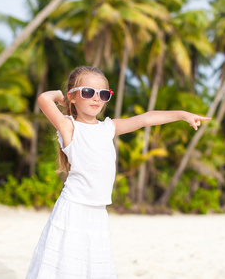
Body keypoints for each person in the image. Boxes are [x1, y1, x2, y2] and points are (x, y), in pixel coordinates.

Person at [26, 66, 211, 278]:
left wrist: (182, 114)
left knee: (92, 265)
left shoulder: (108, 128)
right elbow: (43, 99)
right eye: (88, 92)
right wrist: (62, 97)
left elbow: (146, 118)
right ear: (73, 97)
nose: (96, 98)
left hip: (98, 211)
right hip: (73, 208)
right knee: (67, 265)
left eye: (103, 94)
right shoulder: (69, 127)